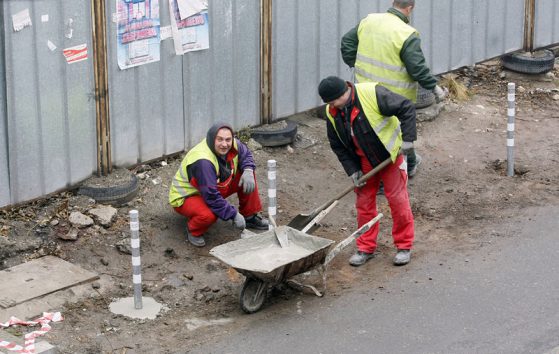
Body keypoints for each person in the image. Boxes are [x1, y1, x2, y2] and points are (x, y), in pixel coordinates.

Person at [340, 0, 447, 177]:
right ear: (409, 9)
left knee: (373, 128)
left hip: (365, 90)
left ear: (393, 3)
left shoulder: (370, 20)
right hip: (395, 95)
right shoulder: (406, 34)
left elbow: (347, 43)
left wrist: (354, 63)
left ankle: (408, 162)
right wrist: (435, 88)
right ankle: (401, 168)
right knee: (397, 132)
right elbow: (417, 68)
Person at [318, 75, 415, 266]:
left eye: (335, 100)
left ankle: (404, 246)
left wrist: (408, 140)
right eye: (329, 102)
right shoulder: (332, 112)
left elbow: (406, 107)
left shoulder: (372, 94)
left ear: (345, 91)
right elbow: (337, 145)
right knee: (364, 203)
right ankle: (365, 247)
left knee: (397, 199)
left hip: (390, 155)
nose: (333, 105)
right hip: (364, 161)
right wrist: (352, 170)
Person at [169, 122, 268, 247]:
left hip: (210, 187)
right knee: (208, 215)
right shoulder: (203, 161)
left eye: (228, 139)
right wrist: (233, 215)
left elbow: (245, 153)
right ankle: (193, 230)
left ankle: (250, 217)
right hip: (188, 196)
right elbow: (211, 196)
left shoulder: (233, 144)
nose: (224, 144)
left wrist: (248, 169)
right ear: (212, 139)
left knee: (247, 176)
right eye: (219, 139)